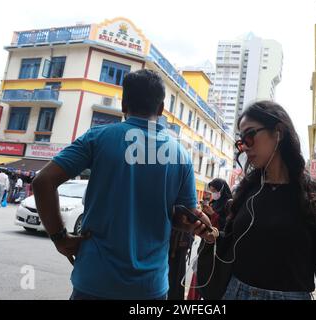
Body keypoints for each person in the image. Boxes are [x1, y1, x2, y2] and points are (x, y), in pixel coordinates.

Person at [32, 70, 214, 300]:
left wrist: (61, 239)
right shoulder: (181, 155)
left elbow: (42, 182)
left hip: (94, 281)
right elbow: (183, 217)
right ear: (161, 109)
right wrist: (195, 224)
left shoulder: (98, 138)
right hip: (150, 288)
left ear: (124, 104)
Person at [200, 101, 316, 300]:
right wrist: (209, 232)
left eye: (250, 135)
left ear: (278, 132)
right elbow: (230, 243)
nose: (245, 147)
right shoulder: (246, 191)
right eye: (241, 141)